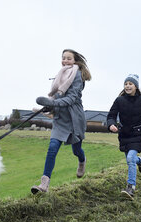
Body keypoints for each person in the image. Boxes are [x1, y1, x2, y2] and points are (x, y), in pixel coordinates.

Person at [31, 49, 91, 194]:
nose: (65, 61)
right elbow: (57, 96)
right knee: (52, 149)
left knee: (76, 150)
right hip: (60, 119)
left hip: (74, 119)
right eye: (63, 58)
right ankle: (44, 184)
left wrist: (53, 103)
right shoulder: (61, 74)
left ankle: (82, 161)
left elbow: (71, 99)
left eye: (68, 58)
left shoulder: (77, 75)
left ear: (75, 60)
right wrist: (48, 104)